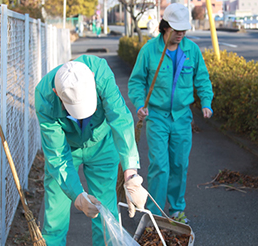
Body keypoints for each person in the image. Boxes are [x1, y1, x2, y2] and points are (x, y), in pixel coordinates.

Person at [35, 54, 148, 245]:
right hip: (67, 147)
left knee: (106, 215)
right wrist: (78, 196)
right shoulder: (45, 96)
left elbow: (120, 117)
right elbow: (58, 156)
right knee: (55, 215)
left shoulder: (99, 71)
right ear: (56, 92)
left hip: (102, 144)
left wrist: (131, 174)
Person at [128, 3, 214, 224]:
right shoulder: (149, 51)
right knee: (160, 166)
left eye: (184, 30)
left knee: (179, 164)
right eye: (177, 30)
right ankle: (154, 212)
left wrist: (206, 102)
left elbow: (202, 79)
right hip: (156, 117)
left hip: (182, 117)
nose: (181, 34)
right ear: (165, 27)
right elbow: (136, 81)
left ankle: (176, 209)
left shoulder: (191, 50)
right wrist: (139, 104)